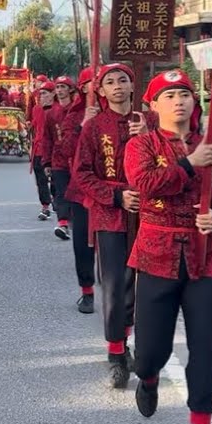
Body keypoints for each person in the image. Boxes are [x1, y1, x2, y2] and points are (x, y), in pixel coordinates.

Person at [125, 68, 212, 424]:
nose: (179, 101)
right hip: (156, 253)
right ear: (154, 106)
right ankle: (149, 377)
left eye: (185, 94)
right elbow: (145, 185)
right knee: (150, 350)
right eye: (169, 96)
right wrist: (190, 164)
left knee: (205, 347)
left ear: (195, 102)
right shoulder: (141, 146)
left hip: (204, 258)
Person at [69, 63, 146, 388]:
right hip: (110, 214)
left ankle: (135, 341)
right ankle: (116, 352)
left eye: (123, 80)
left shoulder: (149, 122)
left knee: (142, 290)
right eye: (110, 82)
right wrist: (116, 196)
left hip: (149, 214)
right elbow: (82, 174)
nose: (117, 86)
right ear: (100, 91)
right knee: (115, 286)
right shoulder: (93, 126)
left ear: (132, 86)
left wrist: (149, 139)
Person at [44, 71, 97, 314]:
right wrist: (83, 124)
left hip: (118, 194)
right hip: (82, 186)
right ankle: (87, 291)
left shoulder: (132, 117)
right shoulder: (72, 115)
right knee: (83, 244)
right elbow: (63, 147)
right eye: (91, 84)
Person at [30, 83, 57, 221]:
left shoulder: (59, 110)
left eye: (45, 93)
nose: (42, 96)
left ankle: (56, 200)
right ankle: (45, 206)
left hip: (54, 150)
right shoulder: (36, 109)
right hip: (39, 149)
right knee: (40, 179)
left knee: (55, 179)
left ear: (53, 94)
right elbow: (34, 127)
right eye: (40, 94)